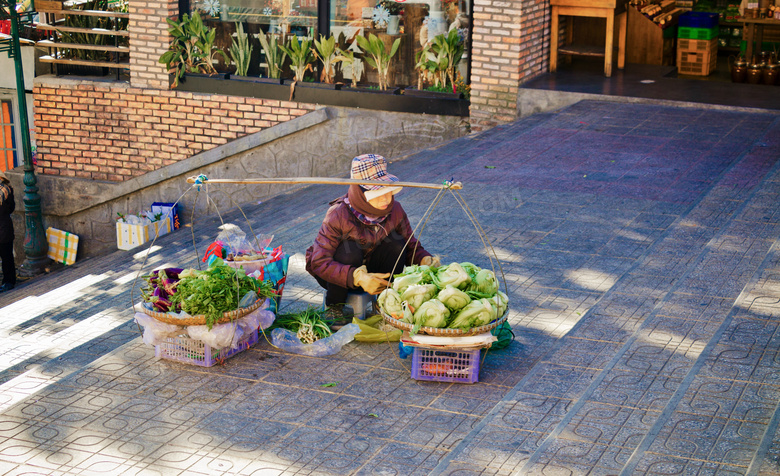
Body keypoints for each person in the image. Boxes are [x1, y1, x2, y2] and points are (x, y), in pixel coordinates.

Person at [305, 154, 440, 327]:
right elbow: (319, 262)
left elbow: (410, 245)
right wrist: (358, 277)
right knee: (349, 249)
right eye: (378, 193)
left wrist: (425, 259)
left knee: (397, 245)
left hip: (377, 272)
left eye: (388, 192)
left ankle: (385, 301)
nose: (386, 199)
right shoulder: (338, 214)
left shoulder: (395, 210)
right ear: (361, 193)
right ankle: (335, 306)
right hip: (340, 277)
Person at [0, 170, 16, 293]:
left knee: (6, 256)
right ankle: (8, 281)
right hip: (5, 225)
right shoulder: (7, 190)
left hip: (3, 228)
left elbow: (10, 208)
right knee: (7, 256)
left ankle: (8, 281)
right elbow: (11, 208)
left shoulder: (4, 191)